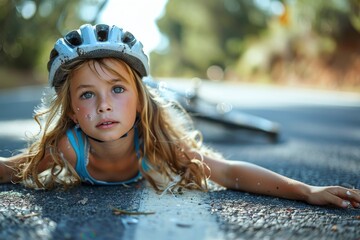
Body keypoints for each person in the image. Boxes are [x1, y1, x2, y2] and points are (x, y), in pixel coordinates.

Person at [0, 23, 359, 209]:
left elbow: (229, 172)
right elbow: (12, 168)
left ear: (140, 101)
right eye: (87, 94)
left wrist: (307, 190)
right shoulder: (68, 148)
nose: (103, 105)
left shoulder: (157, 144)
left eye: (118, 89)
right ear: (74, 113)